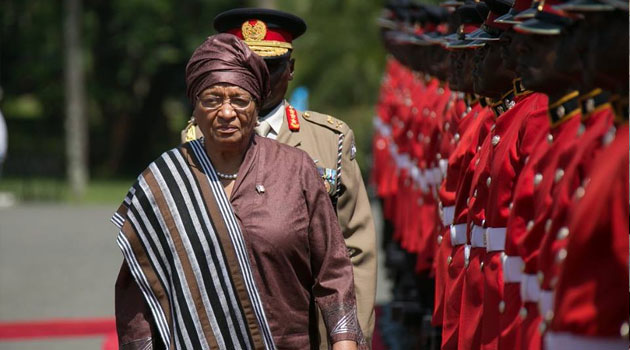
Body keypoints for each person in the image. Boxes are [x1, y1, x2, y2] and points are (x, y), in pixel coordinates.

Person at [113, 33, 366, 350]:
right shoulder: (163, 181)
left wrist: (344, 342)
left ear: (256, 104)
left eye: (239, 100)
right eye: (212, 100)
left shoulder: (296, 170)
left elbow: (334, 271)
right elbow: (138, 290)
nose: (227, 112)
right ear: (195, 105)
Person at [180, 9, 377, 348]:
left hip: (309, 325)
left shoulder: (328, 139)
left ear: (290, 69)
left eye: (269, 66)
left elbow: (355, 248)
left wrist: (351, 336)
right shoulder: (200, 137)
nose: (259, 77)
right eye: (246, 67)